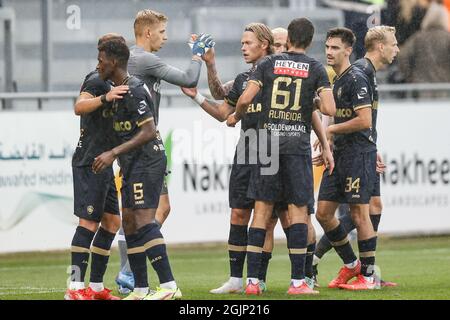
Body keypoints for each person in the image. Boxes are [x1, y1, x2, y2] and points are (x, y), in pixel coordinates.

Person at [227, 17, 336, 295]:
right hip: (295, 147)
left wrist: (235, 117)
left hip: (266, 145)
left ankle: (252, 282)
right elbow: (329, 108)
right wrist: (311, 96)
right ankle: (298, 282)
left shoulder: (266, 64)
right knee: (298, 211)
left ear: (287, 41)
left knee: (261, 212)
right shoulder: (315, 68)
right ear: (310, 41)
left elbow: (244, 100)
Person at [115, 9, 214, 294]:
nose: (165, 37)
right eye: (161, 32)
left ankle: (135, 279)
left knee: (145, 214)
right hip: (142, 148)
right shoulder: (143, 59)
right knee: (140, 217)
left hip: (138, 148)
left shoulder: (132, 60)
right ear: (147, 33)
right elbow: (188, 78)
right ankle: (145, 279)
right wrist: (197, 54)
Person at [312, 26, 400, 288]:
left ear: (348, 50)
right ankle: (354, 266)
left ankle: (368, 276)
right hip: (346, 153)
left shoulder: (359, 74)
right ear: (381, 47)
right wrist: (329, 135)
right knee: (325, 213)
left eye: (334, 47)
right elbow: (358, 118)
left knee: (369, 209)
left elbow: (363, 121)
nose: (397, 49)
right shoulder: (356, 74)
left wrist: (368, 144)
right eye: (394, 44)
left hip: (359, 152)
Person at [93, 39, 180, 300]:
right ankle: (141, 289)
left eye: (101, 59)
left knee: (143, 222)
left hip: (147, 161)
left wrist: (113, 153)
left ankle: (169, 286)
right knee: (129, 223)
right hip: (130, 165)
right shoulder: (116, 91)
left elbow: (149, 131)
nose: (98, 64)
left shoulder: (135, 89)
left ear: (115, 62)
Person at [65, 34, 128, 301]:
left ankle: (96, 287)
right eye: (98, 58)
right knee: (88, 223)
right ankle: (74, 288)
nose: (98, 62)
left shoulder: (116, 80)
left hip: (105, 163)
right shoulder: (96, 80)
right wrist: (105, 98)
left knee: (112, 222)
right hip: (89, 162)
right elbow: (79, 106)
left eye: (101, 58)